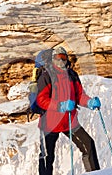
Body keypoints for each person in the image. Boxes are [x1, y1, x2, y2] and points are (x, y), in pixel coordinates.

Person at [36, 46, 101, 175]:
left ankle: (95, 173)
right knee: (47, 156)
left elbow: (79, 95)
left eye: (63, 57)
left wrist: (89, 102)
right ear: (52, 59)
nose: (61, 60)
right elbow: (41, 100)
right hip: (50, 123)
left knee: (88, 144)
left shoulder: (72, 75)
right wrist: (60, 106)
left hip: (69, 121)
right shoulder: (46, 76)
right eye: (57, 58)